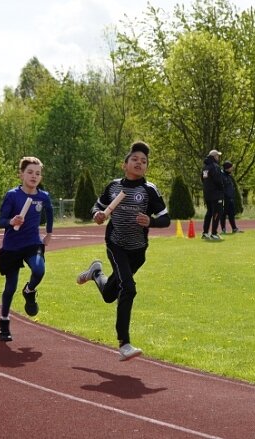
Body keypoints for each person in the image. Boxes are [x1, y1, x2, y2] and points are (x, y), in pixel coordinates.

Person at [76, 141, 170, 361]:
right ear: (124, 164)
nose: (139, 163)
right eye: (135, 159)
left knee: (110, 295)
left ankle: (96, 273)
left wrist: (151, 222)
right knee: (128, 288)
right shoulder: (113, 187)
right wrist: (96, 215)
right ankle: (124, 343)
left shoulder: (149, 190)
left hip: (138, 251)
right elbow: (96, 207)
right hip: (116, 244)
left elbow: (166, 219)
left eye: (144, 161)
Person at [0, 156, 53, 342]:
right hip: (12, 247)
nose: (34, 176)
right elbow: (0, 222)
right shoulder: (12, 195)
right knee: (10, 287)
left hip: (32, 243)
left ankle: (29, 291)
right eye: (30, 172)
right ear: (21, 174)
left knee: (39, 269)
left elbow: (50, 213)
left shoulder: (43, 196)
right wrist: (11, 221)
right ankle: (4, 322)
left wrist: (49, 233)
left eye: (37, 173)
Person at [200, 149, 224, 240]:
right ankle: (214, 233)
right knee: (217, 212)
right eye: (217, 156)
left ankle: (205, 232)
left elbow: (202, 179)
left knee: (209, 213)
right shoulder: (215, 167)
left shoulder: (205, 167)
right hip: (216, 194)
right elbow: (218, 180)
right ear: (214, 156)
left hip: (207, 194)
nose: (218, 157)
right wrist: (222, 189)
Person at [219, 160, 241, 234]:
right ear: (227, 168)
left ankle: (234, 228)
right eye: (231, 167)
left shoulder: (229, 176)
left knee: (231, 214)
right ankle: (223, 229)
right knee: (223, 214)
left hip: (230, 198)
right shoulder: (221, 176)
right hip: (224, 198)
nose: (232, 169)